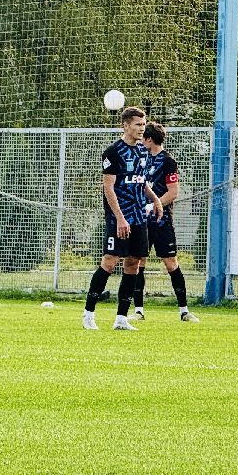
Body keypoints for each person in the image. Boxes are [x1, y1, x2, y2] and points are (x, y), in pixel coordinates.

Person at [82, 107, 165, 331]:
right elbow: (108, 187)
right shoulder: (113, 152)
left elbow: (142, 182)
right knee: (110, 261)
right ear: (125, 125)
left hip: (139, 216)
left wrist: (156, 200)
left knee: (134, 263)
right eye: (138, 124)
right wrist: (119, 218)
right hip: (119, 216)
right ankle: (88, 313)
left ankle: (121, 317)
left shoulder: (143, 151)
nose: (142, 128)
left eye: (143, 124)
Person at [130, 122, 198, 323]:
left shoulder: (168, 161)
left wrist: (154, 205)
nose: (141, 141)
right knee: (138, 262)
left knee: (170, 263)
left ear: (149, 139)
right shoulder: (140, 159)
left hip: (161, 221)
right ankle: (138, 310)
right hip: (141, 220)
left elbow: (173, 192)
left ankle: (184, 311)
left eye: (144, 137)